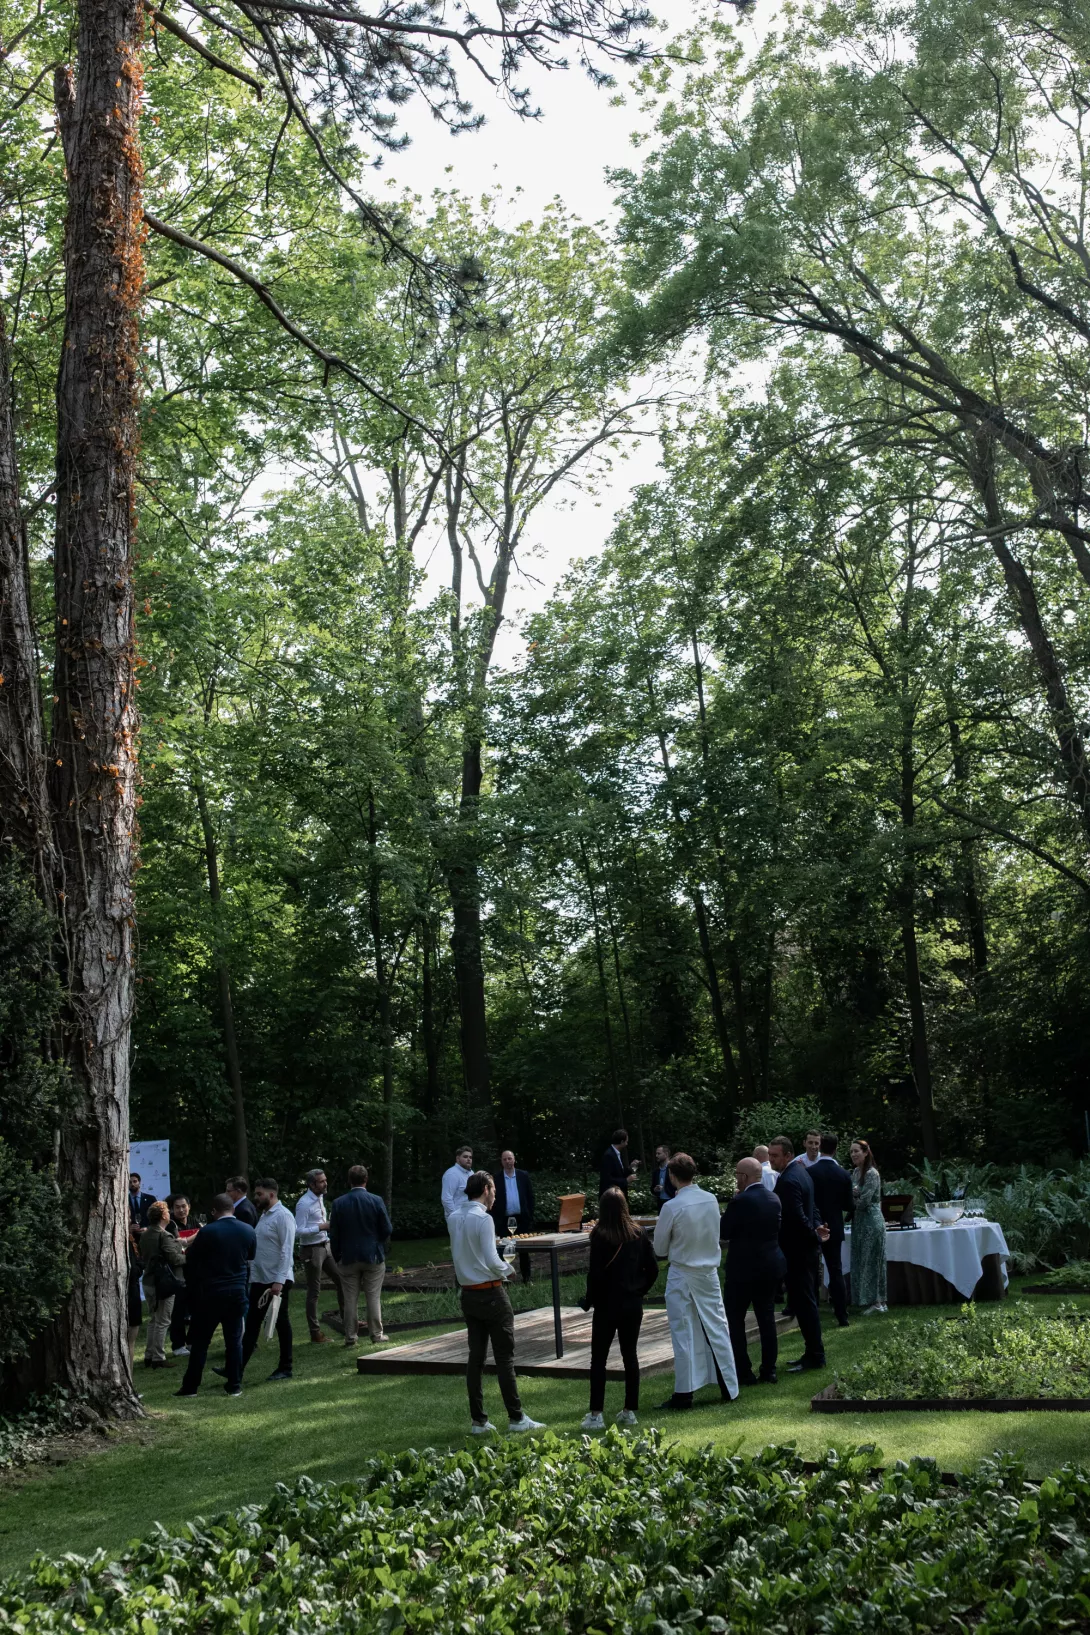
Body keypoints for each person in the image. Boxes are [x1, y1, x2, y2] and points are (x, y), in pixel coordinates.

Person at [448, 1170, 545, 1436]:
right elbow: (492, 1259)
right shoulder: (484, 1219)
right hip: (491, 1294)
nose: (496, 1197)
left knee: (475, 1359)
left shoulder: (454, 1217)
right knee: (505, 1358)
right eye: (494, 1191)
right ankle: (516, 1418)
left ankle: (478, 1421)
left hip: (468, 1295)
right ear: (487, 1189)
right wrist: (508, 1271)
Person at [653, 1153, 738, 1411]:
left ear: (672, 1176)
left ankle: (684, 1394)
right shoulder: (711, 1199)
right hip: (708, 1272)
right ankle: (729, 1386)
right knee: (718, 1326)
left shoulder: (672, 1207)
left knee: (683, 1332)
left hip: (682, 1272)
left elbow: (659, 1247)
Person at [579, 1186, 660, 1430]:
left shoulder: (599, 1235)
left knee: (598, 1360)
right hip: (631, 1303)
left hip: (606, 1304)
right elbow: (653, 1269)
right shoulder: (638, 1233)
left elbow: (594, 1275)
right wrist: (640, 1290)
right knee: (630, 1356)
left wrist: (589, 1299)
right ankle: (629, 1410)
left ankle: (596, 1414)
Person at [175, 1193, 256, 1398]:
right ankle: (234, 1384)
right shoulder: (248, 1230)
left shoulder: (208, 1231)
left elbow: (191, 1259)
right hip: (237, 1291)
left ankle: (191, 1387)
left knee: (201, 1343)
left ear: (213, 1211)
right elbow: (250, 1255)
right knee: (234, 1340)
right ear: (233, 1209)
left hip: (210, 1292)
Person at [720, 1157, 786, 1385]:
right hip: (770, 1266)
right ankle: (769, 1370)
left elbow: (725, 1231)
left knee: (735, 1319)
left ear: (743, 1177)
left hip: (743, 1270)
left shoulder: (741, 1201)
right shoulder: (774, 1198)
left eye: (737, 1174)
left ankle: (744, 1371)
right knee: (766, 1318)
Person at [768, 1137, 829, 1372]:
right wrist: (817, 1228)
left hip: (798, 1252)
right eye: (770, 1155)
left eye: (775, 1155)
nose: (771, 1159)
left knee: (805, 1305)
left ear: (788, 1155)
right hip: (806, 1249)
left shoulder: (789, 1179)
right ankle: (811, 1352)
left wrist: (814, 1233)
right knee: (807, 1303)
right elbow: (811, 1209)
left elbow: (796, 1218)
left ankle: (815, 1354)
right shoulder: (802, 1172)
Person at [240, 1177, 297, 1382]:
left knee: (281, 1322)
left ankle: (286, 1367)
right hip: (261, 1279)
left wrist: (279, 1281)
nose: (256, 1197)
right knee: (253, 1323)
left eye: (259, 1194)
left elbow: (286, 1251)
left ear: (271, 1194)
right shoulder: (264, 1215)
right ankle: (236, 1368)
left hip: (276, 1280)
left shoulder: (283, 1216)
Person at [329, 1164, 392, 1347]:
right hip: (372, 1256)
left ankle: (350, 1337)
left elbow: (334, 1234)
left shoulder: (339, 1203)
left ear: (349, 1180)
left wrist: (337, 1254)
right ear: (366, 1179)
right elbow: (387, 1228)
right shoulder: (376, 1200)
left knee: (350, 1299)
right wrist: (377, 1243)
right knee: (373, 1297)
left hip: (348, 1257)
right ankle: (377, 1335)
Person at [294, 1167, 346, 1344]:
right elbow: (298, 1231)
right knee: (314, 1291)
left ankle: (348, 1322)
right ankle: (315, 1333)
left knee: (341, 1280)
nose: (325, 1183)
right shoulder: (303, 1203)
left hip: (326, 1246)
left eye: (325, 1180)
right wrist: (321, 1227)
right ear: (311, 1184)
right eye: (321, 1181)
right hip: (311, 1249)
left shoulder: (320, 1197)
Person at [808, 1134, 853, 1329]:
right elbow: (849, 1204)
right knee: (835, 1269)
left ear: (820, 1148)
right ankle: (842, 1314)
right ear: (836, 1149)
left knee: (810, 1269)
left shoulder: (810, 1172)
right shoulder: (843, 1174)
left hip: (813, 1225)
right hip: (834, 1225)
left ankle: (813, 1310)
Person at [140, 1200, 185, 1369]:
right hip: (163, 1283)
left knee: (154, 1319)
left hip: (149, 1281)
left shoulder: (145, 1234)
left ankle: (149, 1354)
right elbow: (174, 1258)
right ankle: (158, 1357)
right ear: (164, 1215)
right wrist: (188, 1257)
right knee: (163, 1320)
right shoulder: (163, 1235)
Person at [849, 1139, 888, 1314]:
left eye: (856, 1151)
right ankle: (866, 1298)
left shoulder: (872, 1173)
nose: (854, 1155)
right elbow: (851, 1195)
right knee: (862, 1259)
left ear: (865, 1152)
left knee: (873, 1260)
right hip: (859, 1221)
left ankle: (878, 1301)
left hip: (872, 1221)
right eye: (851, 1152)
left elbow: (865, 1200)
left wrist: (854, 1197)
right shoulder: (855, 1172)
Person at [489, 1150, 536, 1282]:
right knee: (504, 1248)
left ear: (514, 1159)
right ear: (501, 1161)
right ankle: (505, 1278)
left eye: (510, 1158)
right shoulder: (496, 1178)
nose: (508, 1162)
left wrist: (529, 1215)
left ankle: (527, 1278)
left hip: (522, 1219)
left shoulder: (523, 1175)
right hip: (504, 1219)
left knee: (524, 1250)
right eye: (505, 1159)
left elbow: (530, 1196)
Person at [165, 1194, 198, 1355]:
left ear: (189, 1207)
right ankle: (178, 1345)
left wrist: (188, 1240)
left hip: (194, 1270)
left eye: (183, 1206)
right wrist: (195, 1236)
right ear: (171, 1209)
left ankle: (192, 1341)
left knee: (196, 1307)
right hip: (177, 1273)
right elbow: (178, 1244)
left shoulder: (194, 1221)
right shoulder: (170, 1224)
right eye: (177, 1207)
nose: (181, 1210)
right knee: (178, 1309)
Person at [599, 1129, 639, 1198]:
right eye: (626, 1142)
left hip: (618, 1196)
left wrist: (630, 1167)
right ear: (622, 1142)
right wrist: (626, 1180)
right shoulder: (609, 1155)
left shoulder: (617, 1154)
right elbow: (607, 1179)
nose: (627, 1144)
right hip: (611, 1197)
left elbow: (619, 1174)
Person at [442, 1146, 474, 1221]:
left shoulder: (471, 1173)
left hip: (471, 1217)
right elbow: (446, 1199)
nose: (468, 1159)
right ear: (458, 1158)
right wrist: (456, 1217)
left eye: (470, 1157)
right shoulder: (451, 1174)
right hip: (457, 1219)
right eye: (465, 1157)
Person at [649, 1145, 677, 1211]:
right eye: (656, 1153)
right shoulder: (656, 1171)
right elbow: (652, 1188)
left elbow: (678, 1185)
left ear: (666, 1154)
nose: (656, 1156)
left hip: (672, 1201)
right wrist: (655, 1189)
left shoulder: (673, 1169)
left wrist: (664, 1188)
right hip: (660, 1203)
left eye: (659, 1153)